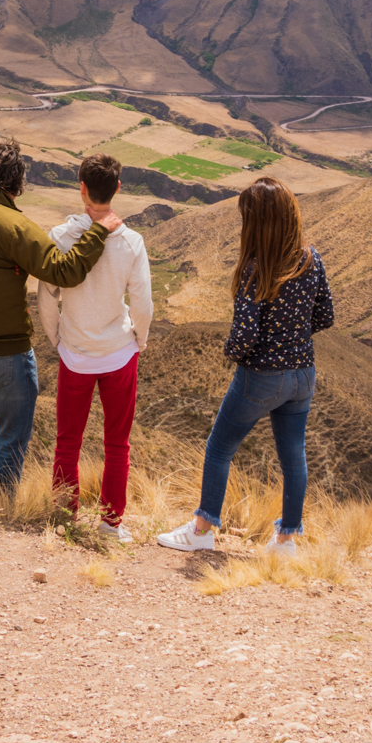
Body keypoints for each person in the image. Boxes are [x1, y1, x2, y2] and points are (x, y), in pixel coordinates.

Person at [157, 176, 333, 556]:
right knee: (293, 455)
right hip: (303, 373)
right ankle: (286, 540)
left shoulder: (256, 268)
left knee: (220, 447)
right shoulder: (311, 258)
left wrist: (233, 353)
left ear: (255, 222)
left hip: (261, 376)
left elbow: (244, 337)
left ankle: (202, 529)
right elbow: (325, 315)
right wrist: (293, 337)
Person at [0, 140, 120, 490]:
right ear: (17, 183)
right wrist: (98, 231)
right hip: (6, 354)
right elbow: (64, 271)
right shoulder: (11, 224)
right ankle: (1, 514)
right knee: (11, 438)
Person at [37, 153, 152, 542]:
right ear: (118, 188)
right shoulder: (132, 242)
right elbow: (142, 303)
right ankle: (109, 524)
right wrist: (140, 338)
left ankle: (63, 515)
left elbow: (46, 296)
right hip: (119, 353)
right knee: (117, 443)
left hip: (75, 353)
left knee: (67, 440)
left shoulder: (60, 237)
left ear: (81, 188)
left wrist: (56, 338)